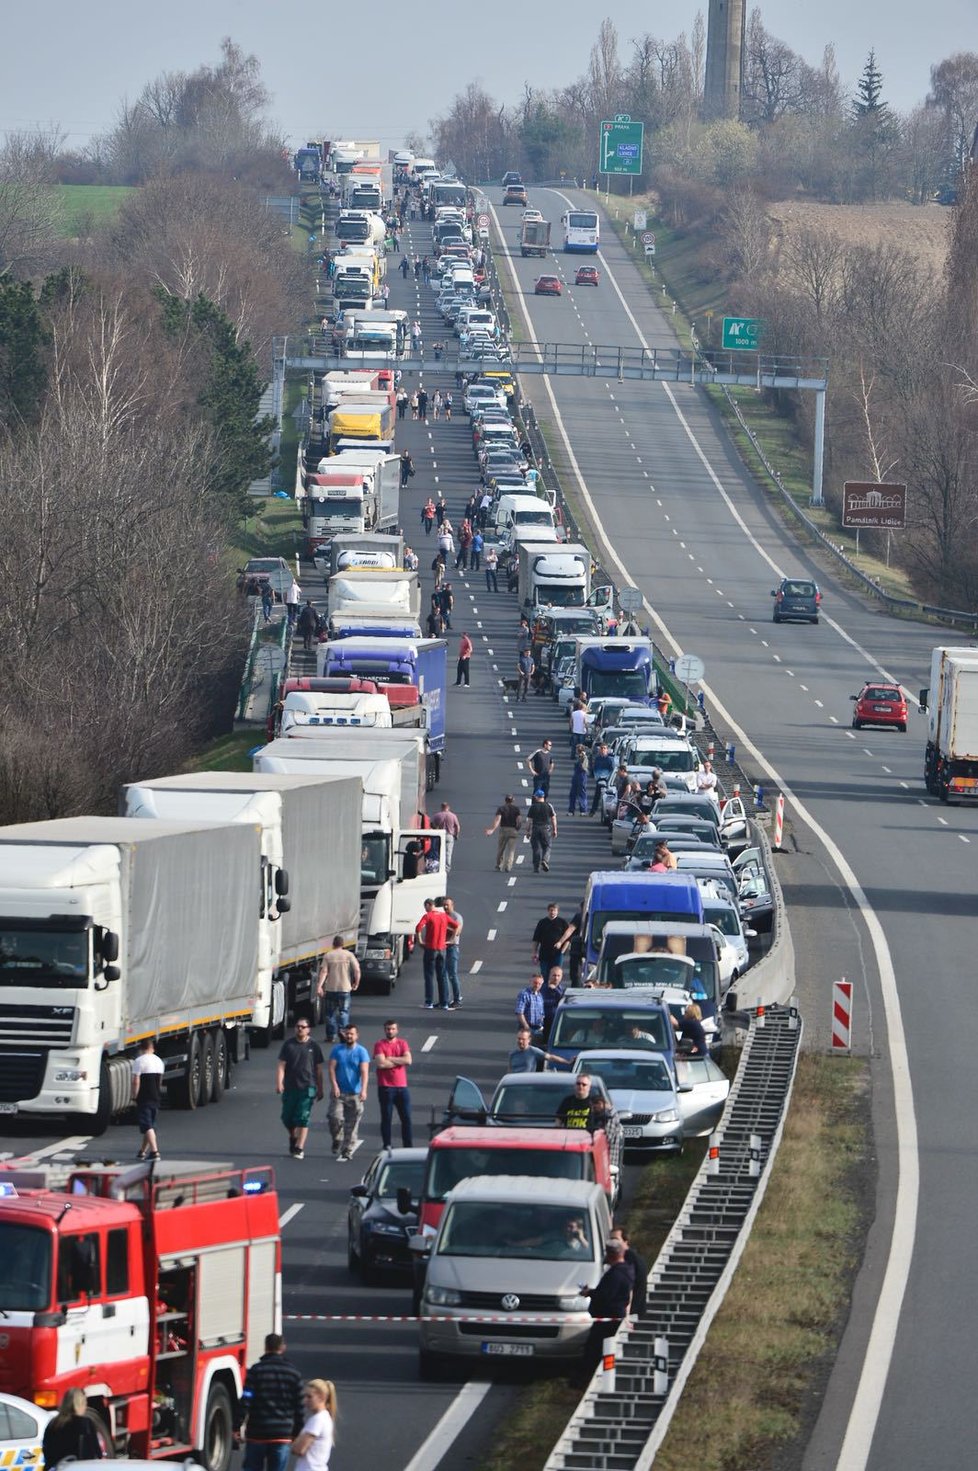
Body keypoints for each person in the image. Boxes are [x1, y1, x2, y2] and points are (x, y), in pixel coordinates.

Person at [572, 1240, 635, 1387]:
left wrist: (589, 1293)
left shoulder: (616, 1274)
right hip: (612, 1318)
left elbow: (605, 1295)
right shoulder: (626, 1271)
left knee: (597, 1350)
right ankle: (603, 1377)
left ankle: (591, 1380)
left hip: (608, 1320)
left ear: (611, 1254)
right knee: (606, 1349)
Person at [238, 1333, 305, 1471]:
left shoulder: (256, 1371)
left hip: (257, 1433)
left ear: (265, 1347)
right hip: (282, 1434)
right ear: (283, 1347)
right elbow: (299, 1407)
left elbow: (246, 1399)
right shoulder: (293, 1374)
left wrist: (236, 1425)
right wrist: (296, 1432)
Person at [276, 1019, 325, 1160]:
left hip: (307, 1087)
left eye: (303, 1027)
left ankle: (299, 1147)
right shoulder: (288, 1045)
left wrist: (320, 1088)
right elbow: (281, 1065)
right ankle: (293, 1136)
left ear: (308, 1029)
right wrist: (279, 1083)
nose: (300, 1029)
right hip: (290, 1087)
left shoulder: (314, 1046)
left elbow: (318, 1069)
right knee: (287, 1118)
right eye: (297, 1026)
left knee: (303, 1117)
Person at [328, 1024, 370, 1161]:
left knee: (352, 1124)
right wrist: (334, 1086)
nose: (349, 1036)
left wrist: (363, 1090)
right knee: (335, 1117)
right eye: (347, 1033)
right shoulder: (337, 1050)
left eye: (352, 1034)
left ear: (357, 1036)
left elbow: (364, 1072)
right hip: (339, 1093)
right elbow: (331, 1068)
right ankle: (337, 1138)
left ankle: (347, 1150)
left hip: (355, 1094)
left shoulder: (361, 1052)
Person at [373, 1020, 413, 1148]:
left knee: (406, 1118)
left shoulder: (403, 1043)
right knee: (387, 1118)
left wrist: (390, 1059)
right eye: (388, 1029)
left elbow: (408, 1060)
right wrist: (399, 1061)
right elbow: (381, 1063)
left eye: (392, 1029)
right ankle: (387, 1145)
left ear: (397, 1030)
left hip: (402, 1087)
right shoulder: (379, 1044)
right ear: (384, 1030)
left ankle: (408, 1145)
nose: (390, 1031)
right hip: (386, 1087)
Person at [42, 1389, 103, 1469]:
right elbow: (97, 1452)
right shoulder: (85, 1423)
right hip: (80, 1467)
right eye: (85, 1403)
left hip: (57, 1467)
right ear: (80, 1404)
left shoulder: (53, 1423)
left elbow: (46, 1450)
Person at [415, 897, 458, 1009]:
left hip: (430, 948)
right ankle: (444, 1003)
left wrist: (420, 941)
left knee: (429, 975)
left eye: (426, 907)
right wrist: (452, 939)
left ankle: (429, 1002)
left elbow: (418, 927)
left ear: (429, 905)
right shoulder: (444, 916)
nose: (426, 909)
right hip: (442, 949)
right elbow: (456, 926)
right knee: (442, 976)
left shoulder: (428, 916)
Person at [316, 936, 361, 1043]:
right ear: (343, 944)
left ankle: (331, 1035)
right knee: (343, 1012)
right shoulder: (349, 955)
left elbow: (324, 972)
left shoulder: (328, 955)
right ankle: (344, 1034)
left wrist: (319, 986)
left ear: (333, 944)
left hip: (331, 989)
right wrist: (356, 983)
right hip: (345, 989)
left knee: (330, 1014)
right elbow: (357, 970)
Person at [291, 1380, 336, 1471]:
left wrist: (295, 1444)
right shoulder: (325, 1418)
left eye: (309, 1397)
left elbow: (299, 1449)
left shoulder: (317, 1420)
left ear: (322, 1397)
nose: (305, 1400)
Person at [132, 1037, 165, 1161]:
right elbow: (160, 1081)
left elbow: (136, 1081)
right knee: (150, 1125)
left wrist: (134, 1095)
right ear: (152, 1048)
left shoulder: (139, 1061)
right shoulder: (159, 1061)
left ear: (141, 1048)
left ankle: (155, 1152)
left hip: (144, 1097)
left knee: (147, 1126)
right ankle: (142, 1152)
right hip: (156, 1097)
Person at [610, 1226, 648, 1318]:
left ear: (625, 1241)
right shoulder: (631, 1256)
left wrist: (626, 1312)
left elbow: (629, 1286)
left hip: (631, 1311)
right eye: (611, 1239)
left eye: (616, 1239)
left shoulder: (629, 1259)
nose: (612, 1243)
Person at [485, 793, 523, 872]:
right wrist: (517, 828)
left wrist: (492, 829)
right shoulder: (516, 809)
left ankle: (499, 864)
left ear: (505, 800)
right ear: (513, 800)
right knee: (511, 850)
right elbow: (519, 820)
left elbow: (498, 820)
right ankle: (508, 866)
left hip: (503, 830)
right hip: (513, 830)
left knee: (501, 849)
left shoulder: (501, 809)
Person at [533, 902, 566, 979]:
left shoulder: (562, 922)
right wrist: (534, 952)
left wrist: (563, 950)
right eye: (551, 910)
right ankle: (544, 989)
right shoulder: (542, 922)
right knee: (544, 973)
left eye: (554, 910)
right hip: (544, 953)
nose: (552, 912)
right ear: (548, 911)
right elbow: (536, 939)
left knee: (556, 974)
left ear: (557, 911)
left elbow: (567, 939)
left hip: (557, 953)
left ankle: (554, 989)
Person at [528, 788, 557, 873]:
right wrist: (555, 829)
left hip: (536, 828)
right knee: (547, 846)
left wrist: (528, 831)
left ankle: (536, 867)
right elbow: (553, 818)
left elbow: (529, 820)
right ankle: (544, 860)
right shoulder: (549, 806)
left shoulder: (533, 807)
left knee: (536, 848)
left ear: (537, 797)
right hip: (546, 829)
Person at [442, 897, 464, 1007]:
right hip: (442, 947)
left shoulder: (456, 917)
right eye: (444, 905)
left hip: (452, 947)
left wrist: (445, 928)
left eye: (447, 905)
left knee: (452, 974)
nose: (445, 907)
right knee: (443, 974)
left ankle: (457, 999)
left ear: (452, 905)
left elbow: (458, 932)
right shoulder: (442, 916)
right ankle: (444, 999)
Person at [430, 800, 460, 869]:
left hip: (440, 835)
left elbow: (431, 824)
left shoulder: (437, 815)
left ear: (441, 807)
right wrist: (456, 834)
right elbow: (457, 826)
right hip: (449, 835)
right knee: (448, 853)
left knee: (439, 851)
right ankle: (447, 868)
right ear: (448, 807)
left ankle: (439, 866)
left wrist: (435, 829)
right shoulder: (453, 816)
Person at [515, 972, 546, 1036]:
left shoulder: (540, 996)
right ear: (530, 981)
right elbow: (519, 1013)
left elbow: (542, 1013)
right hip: (526, 1028)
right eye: (535, 983)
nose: (537, 985)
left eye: (539, 984)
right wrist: (526, 1026)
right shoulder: (524, 994)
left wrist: (542, 1026)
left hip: (538, 1029)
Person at [589, 741, 615, 816]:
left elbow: (612, 770)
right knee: (596, 797)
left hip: (607, 781)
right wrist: (597, 778)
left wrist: (607, 779)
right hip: (599, 780)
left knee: (608, 798)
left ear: (607, 750)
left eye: (604, 748)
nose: (603, 750)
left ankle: (608, 813)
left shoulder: (610, 760)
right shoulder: (597, 759)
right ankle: (592, 811)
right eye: (602, 748)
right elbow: (595, 769)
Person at [542, 966, 566, 1040]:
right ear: (550, 975)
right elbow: (542, 1002)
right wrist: (555, 1002)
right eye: (554, 975)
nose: (556, 978)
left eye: (558, 976)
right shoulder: (544, 988)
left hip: (558, 1018)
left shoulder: (561, 989)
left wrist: (555, 989)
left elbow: (563, 999)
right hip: (547, 1019)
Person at [568, 745, 589, 815]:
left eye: (578, 749)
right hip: (576, 776)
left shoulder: (584, 758)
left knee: (582, 794)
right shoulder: (578, 757)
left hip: (582, 777)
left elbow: (584, 767)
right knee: (572, 794)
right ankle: (571, 810)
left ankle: (583, 810)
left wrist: (582, 759)